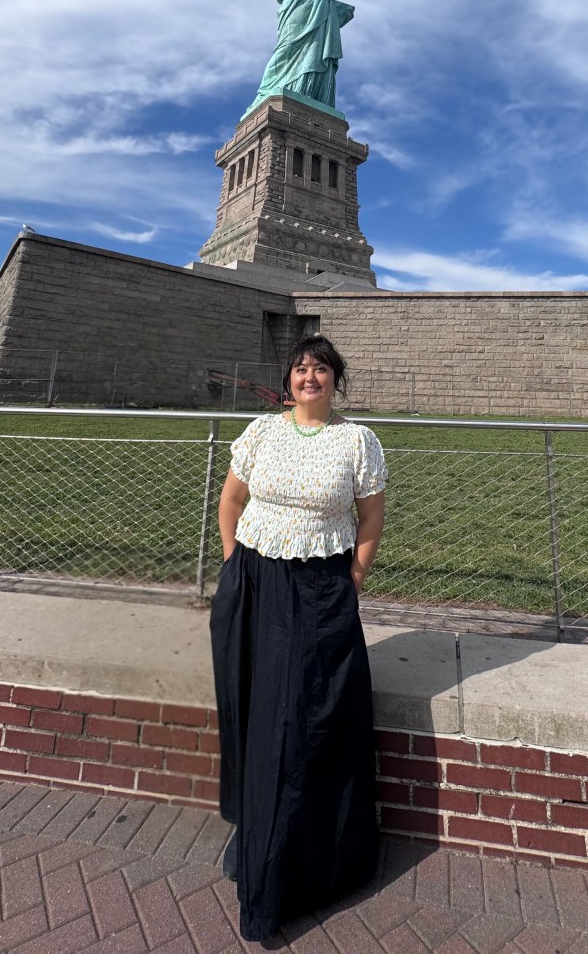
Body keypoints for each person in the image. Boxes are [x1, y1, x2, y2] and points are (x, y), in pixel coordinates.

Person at [209, 335, 387, 941]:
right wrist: (237, 567)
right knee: (253, 705)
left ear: (338, 380)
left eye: (321, 370)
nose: (309, 378)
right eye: (300, 369)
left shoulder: (357, 441)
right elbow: (230, 500)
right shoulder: (261, 432)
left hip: (320, 589)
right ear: (288, 380)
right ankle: (250, 820)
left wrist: (353, 578)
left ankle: (300, 856)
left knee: (303, 718)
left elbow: (370, 518)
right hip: (256, 583)